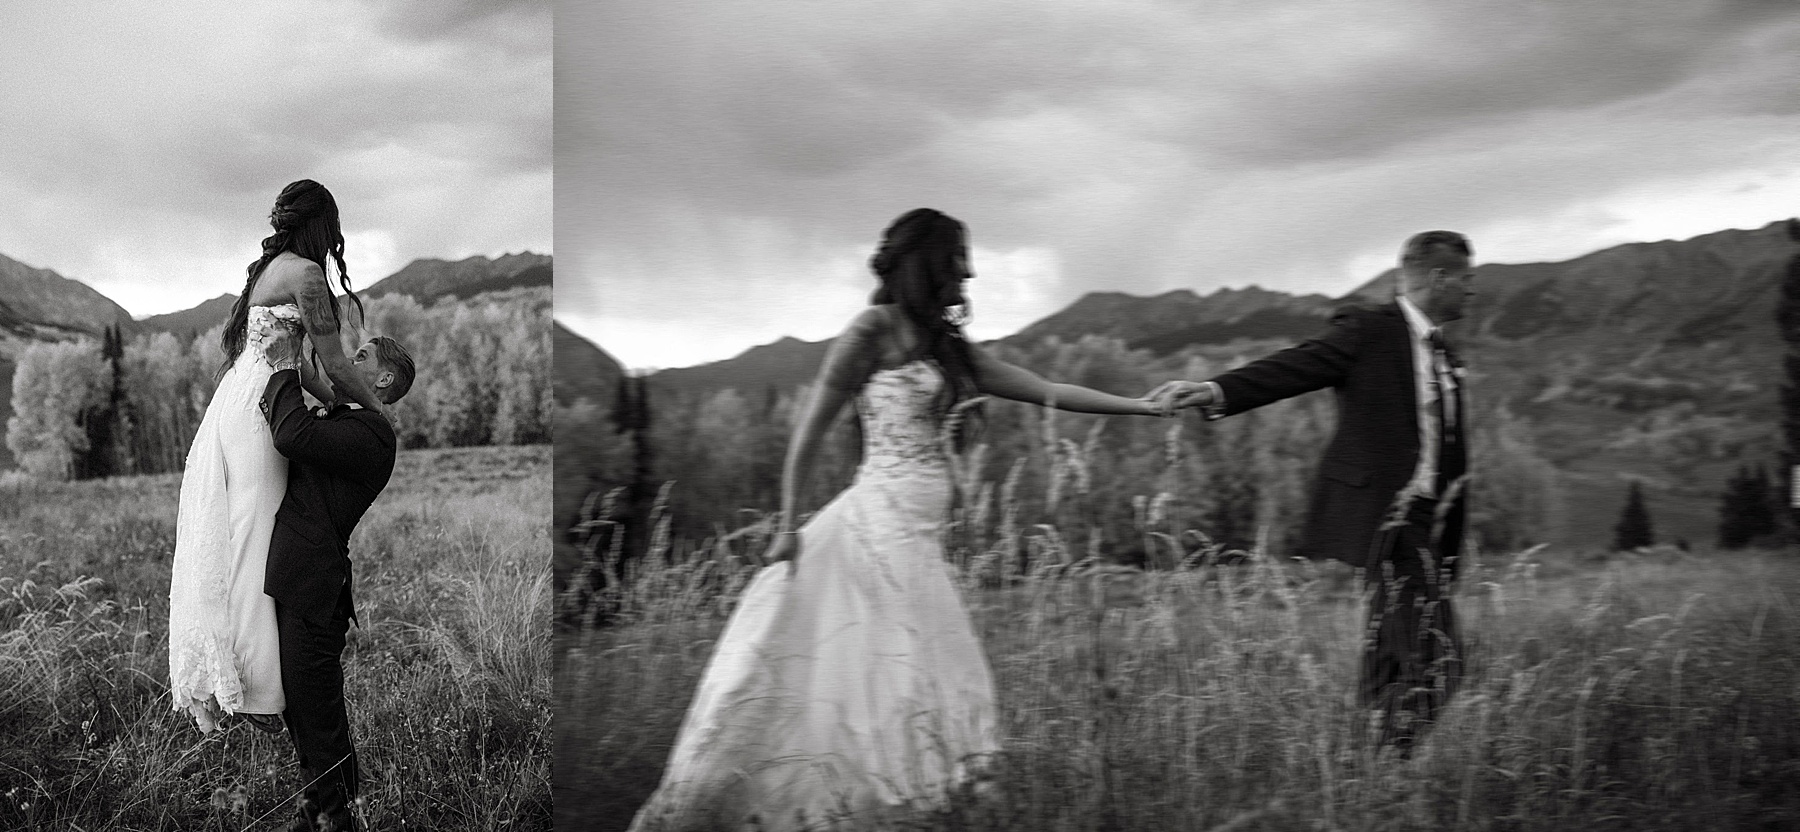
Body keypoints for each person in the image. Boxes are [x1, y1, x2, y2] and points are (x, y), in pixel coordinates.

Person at [627, 208, 1170, 831]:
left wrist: (1143, 407)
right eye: (955, 262)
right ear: (928, 265)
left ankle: (899, 806)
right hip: (875, 528)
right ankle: (865, 806)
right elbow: (807, 436)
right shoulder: (870, 332)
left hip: (920, 536)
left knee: (913, 677)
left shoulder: (948, 349)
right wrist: (786, 526)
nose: (966, 275)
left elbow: (1040, 385)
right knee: (895, 674)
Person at [1152, 230, 1478, 752]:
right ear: (1439, 278)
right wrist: (1216, 389)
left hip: (1427, 529)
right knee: (1441, 655)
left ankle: (1361, 776)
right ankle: (1389, 765)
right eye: (1467, 279)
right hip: (1387, 521)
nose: (1472, 291)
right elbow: (1298, 365)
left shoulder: (1446, 354)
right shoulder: (1369, 329)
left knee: (1390, 662)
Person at [167, 179, 393, 734]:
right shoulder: (307, 275)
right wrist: (378, 414)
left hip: (245, 400)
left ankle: (252, 683)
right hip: (261, 412)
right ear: (323, 225)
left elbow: (311, 373)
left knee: (246, 532)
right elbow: (337, 368)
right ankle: (252, 689)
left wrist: (348, 406)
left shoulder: (267, 272)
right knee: (252, 537)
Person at [260, 331, 414, 832]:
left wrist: (285, 368)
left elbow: (292, 436)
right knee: (302, 710)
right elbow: (324, 395)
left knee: (315, 711)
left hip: (313, 588)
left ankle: (336, 815)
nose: (350, 359)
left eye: (362, 357)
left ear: (384, 379)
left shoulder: (374, 432)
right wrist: (298, 357)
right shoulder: (356, 419)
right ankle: (316, 809)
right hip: (302, 580)